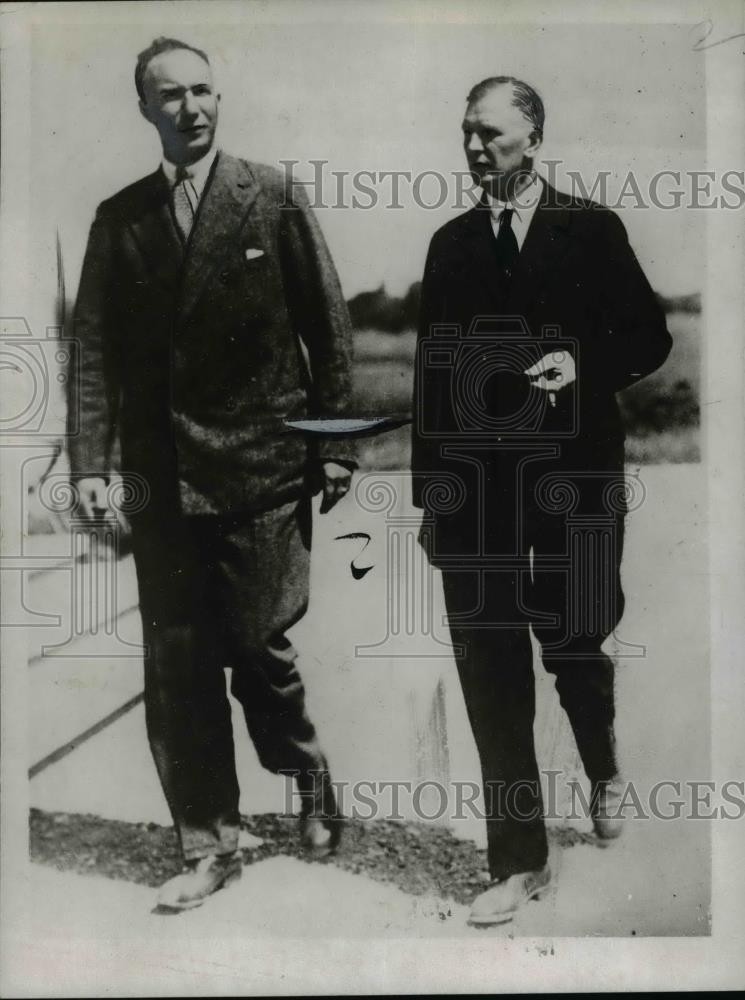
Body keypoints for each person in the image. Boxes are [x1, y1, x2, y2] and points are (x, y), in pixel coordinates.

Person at [68, 36, 356, 911]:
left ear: (218, 99)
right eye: (170, 96)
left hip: (261, 465)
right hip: (164, 475)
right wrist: (91, 467)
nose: (190, 108)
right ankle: (208, 842)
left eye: (203, 92)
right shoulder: (120, 219)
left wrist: (335, 442)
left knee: (257, 644)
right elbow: (91, 354)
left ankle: (304, 771)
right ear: (144, 109)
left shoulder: (269, 195)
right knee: (179, 663)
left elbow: (328, 324)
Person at [411, 76, 672, 926]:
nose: (474, 148)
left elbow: (647, 334)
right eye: (465, 135)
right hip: (479, 491)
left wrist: (580, 365)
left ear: (534, 136)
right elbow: (430, 377)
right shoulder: (449, 243)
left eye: (489, 133)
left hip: (574, 481)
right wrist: (432, 495)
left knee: (573, 644)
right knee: (488, 667)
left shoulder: (590, 229)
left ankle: (600, 768)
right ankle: (516, 860)